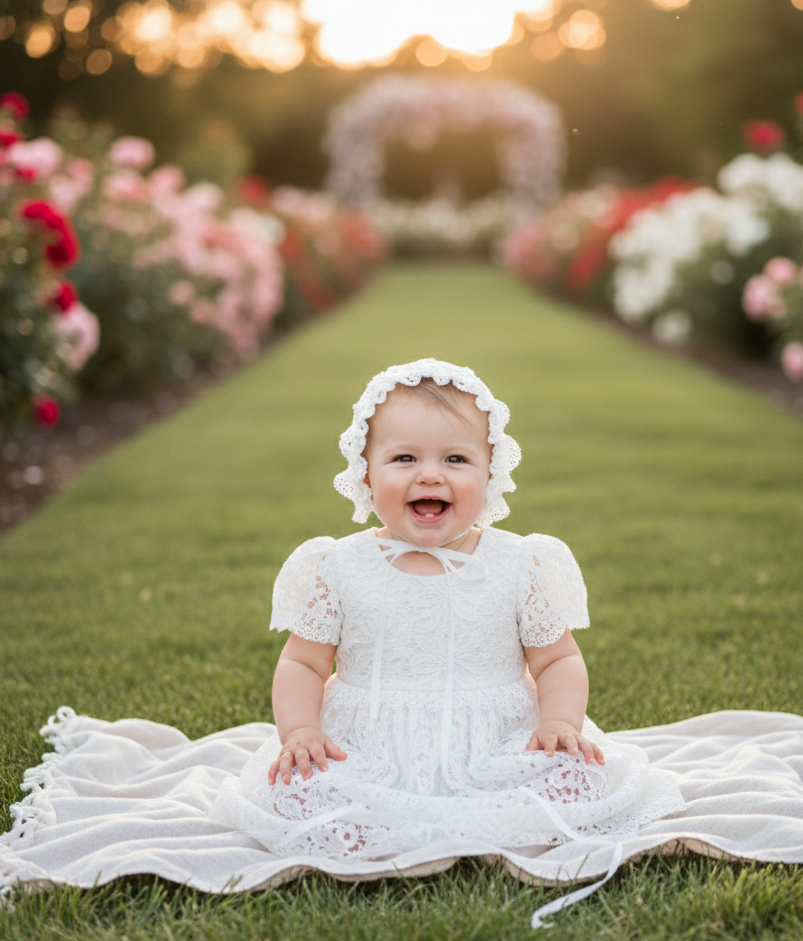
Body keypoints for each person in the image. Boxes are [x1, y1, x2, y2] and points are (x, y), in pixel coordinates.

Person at [209, 358, 684, 887]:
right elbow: (302, 661)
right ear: (366, 474)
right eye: (404, 458)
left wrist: (560, 723)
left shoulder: (519, 563)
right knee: (304, 789)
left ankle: (501, 804)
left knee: (572, 776)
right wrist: (301, 731)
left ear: (489, 473)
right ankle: (374, 820)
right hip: (370, 740)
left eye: (456, 459)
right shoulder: (337, 567)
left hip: (496, 738)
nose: (430, 474)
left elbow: (557, 659)